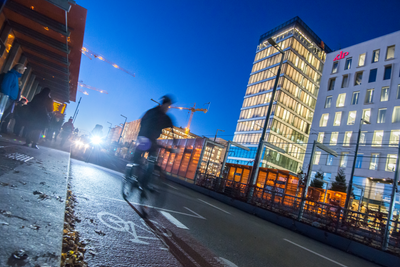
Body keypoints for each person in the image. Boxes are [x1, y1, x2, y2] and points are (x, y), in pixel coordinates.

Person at [0, 64, 26, 129]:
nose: (23, 72)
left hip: (8, 98)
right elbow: (5, 86)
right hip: (6, 97)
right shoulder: (11, 75)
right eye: (22, 70)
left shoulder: (14, 76)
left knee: (3, 113)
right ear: (19, 70)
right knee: (1, 113)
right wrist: (6, 96)